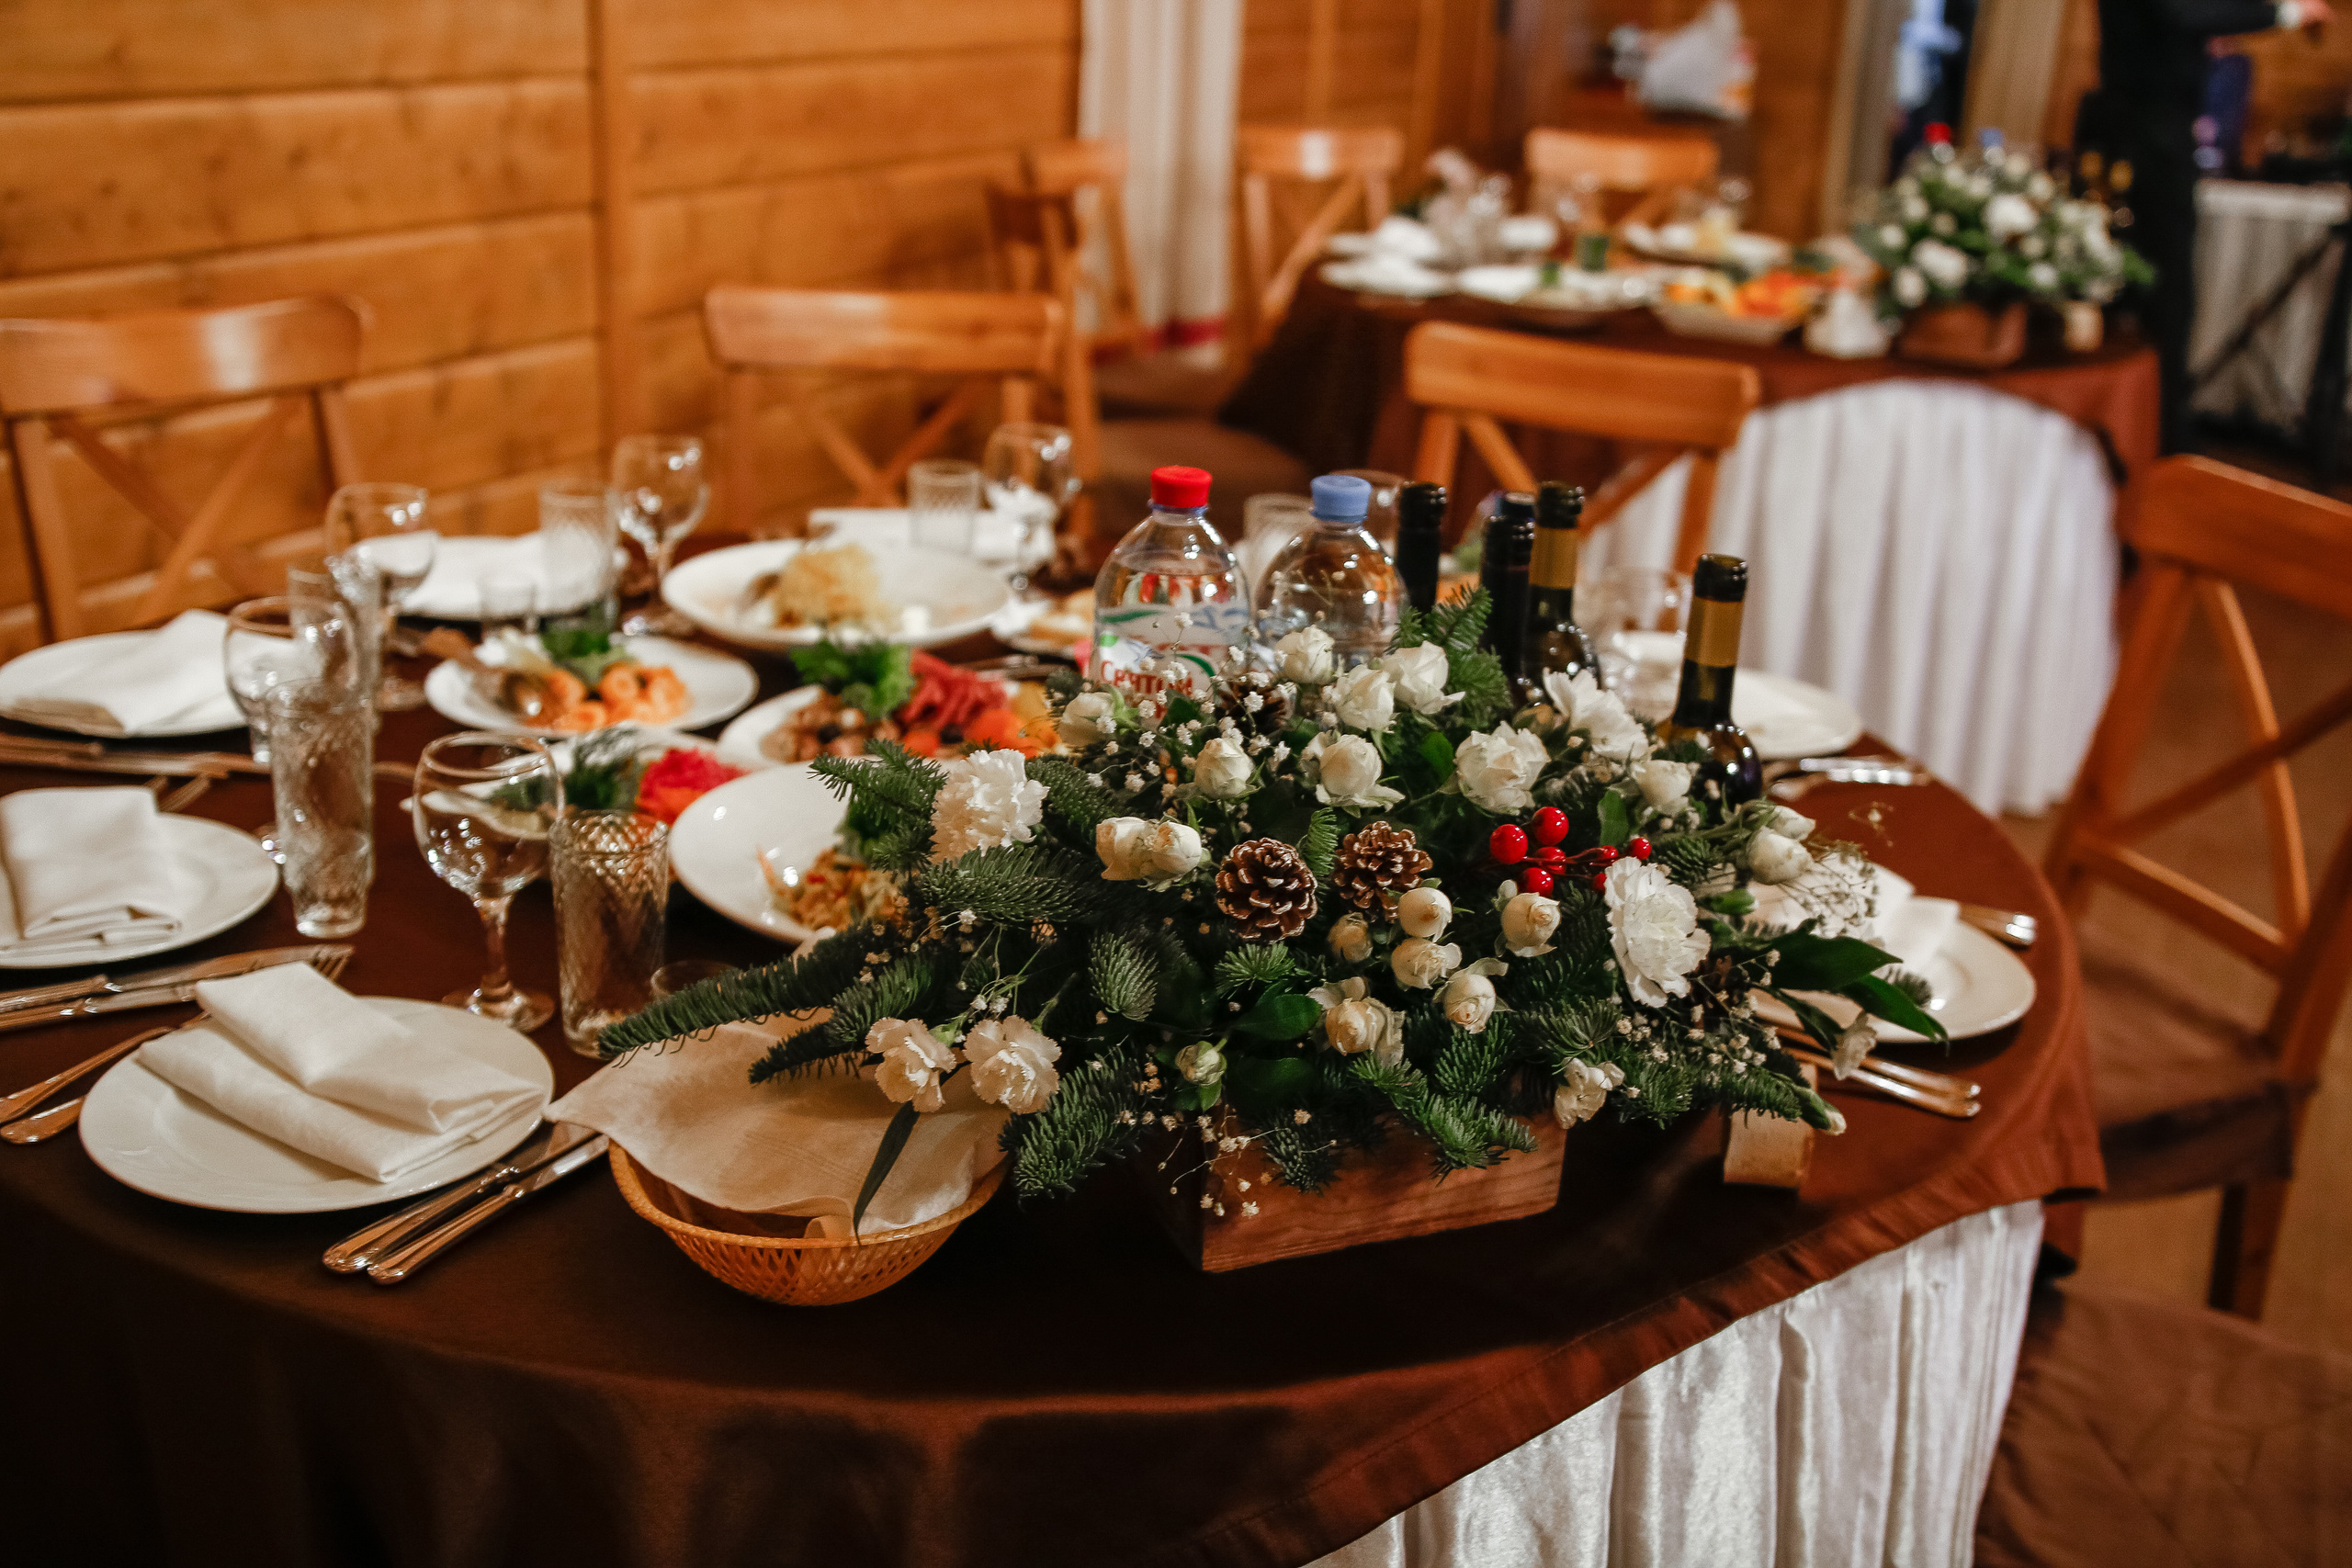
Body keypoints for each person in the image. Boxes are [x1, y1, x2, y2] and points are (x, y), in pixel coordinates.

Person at [2094, 0, 2335, 451]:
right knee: (2164, 295)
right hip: (2151, 136)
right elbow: (2186, 12)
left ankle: (2141, 422)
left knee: (2147, 292)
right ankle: (2158, 434)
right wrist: (2286, 12)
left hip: (2147, 129)